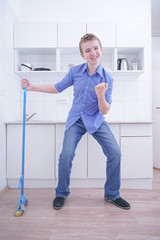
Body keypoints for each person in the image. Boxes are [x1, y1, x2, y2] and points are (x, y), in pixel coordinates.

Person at [21, 33, 130, 210]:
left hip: (96, 120)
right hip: (76, 120)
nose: (93, 53)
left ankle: (112, 194)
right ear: (82, 55)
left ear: (101, 50)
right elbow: (57, 88)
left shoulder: (107, 78)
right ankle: (61, 193)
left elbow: (104, 110)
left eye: (95, 48)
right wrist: (31, 87)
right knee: (66, 155)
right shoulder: (75, 72)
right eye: (88, 50)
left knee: (115, 153)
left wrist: (101, 94)